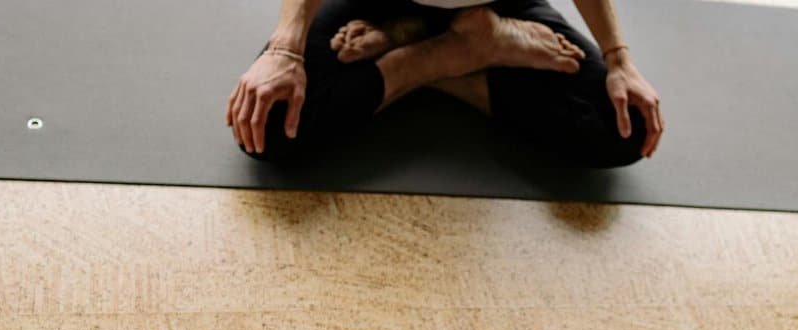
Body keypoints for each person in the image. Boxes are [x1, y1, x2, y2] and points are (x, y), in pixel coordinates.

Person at [226, 0, 664, 168]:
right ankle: (445, 51)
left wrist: (619, 60)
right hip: (378, 1)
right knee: (270, 126)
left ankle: (452, 42)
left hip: (500, 5)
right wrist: (285, 51)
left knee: (626, 128)